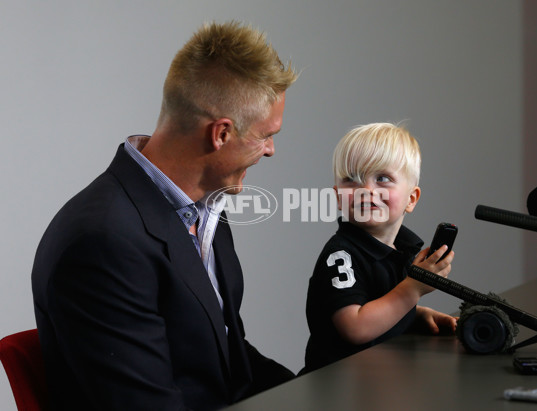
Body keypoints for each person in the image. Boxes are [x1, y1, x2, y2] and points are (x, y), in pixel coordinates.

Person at [31, 21, 298, 410]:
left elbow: (226, 356)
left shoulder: (206, 208)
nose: (271, 150)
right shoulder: (101, 243)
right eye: (265, 135)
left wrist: (322, 390)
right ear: (220, 133)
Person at [302, 122, 457, 373]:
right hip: (339, 388)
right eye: (351, 180)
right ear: (338, 196)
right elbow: (356, 326)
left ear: (411, 199)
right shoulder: (341, 256)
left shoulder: (402, 249)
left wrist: (416, 314)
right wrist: (412, 290)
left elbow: (378, 303)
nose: (366, 190)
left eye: (382, 178)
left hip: (380, 379)